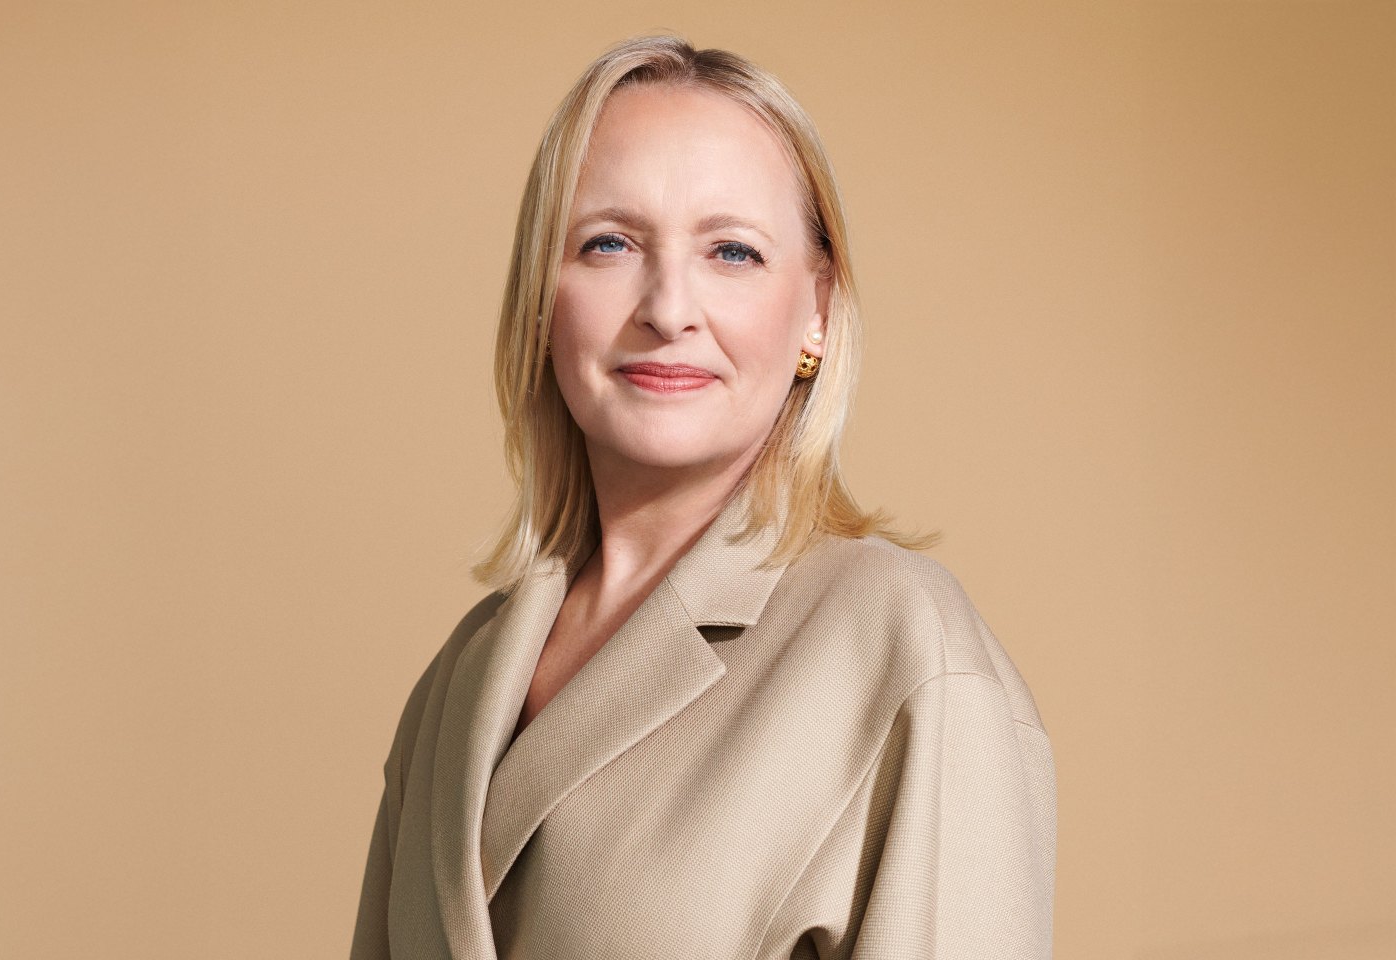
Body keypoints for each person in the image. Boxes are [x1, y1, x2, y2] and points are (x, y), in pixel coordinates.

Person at [351, 35, 1055, 960]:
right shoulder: (460, 682)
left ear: (817, 310)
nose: (668, 308)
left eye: (732, 251)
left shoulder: (901, 644)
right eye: (608, 243)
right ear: (541, 296)